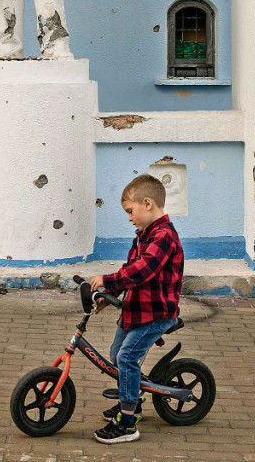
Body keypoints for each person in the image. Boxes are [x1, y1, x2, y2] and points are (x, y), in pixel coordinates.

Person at [88, 174, 184, 444]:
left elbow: (143, 270)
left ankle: (128, 422)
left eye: (131, 211)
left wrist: (108, 280)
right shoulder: (143, 236)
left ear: (147, 203)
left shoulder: (164, 236)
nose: (130, 218)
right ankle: (132, 400)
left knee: (127, 358)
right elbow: (130, 270)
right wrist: (111, 293)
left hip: (156, 313)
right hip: (136, 310)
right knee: (117, 355)